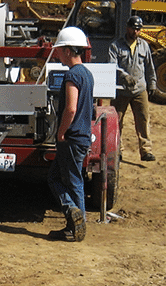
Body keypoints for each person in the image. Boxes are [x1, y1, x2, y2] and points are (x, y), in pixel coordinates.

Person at [47, 27, 95, 242]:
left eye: (58, 50)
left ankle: (75, 217)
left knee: (71, 181)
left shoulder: (72, 75)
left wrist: (61, 132)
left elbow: (71, 108)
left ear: (67, 50)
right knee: (58, 177)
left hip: (71, 138)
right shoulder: (87, 73)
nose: (56, 53)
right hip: (82, 136)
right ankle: (73, 223)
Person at [109, 15, 157, 162]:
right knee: (116, 121)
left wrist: (152, 83)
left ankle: (146, 151)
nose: (136, 31)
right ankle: (118, 150)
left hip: (139, 90)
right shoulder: (115, 46)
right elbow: (112, 66)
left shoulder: (144, 46)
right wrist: (124, 76)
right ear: (127, 28)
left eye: (138, 29)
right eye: (133, 28)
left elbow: (149, 67)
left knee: (143, 120)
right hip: (120, 90)